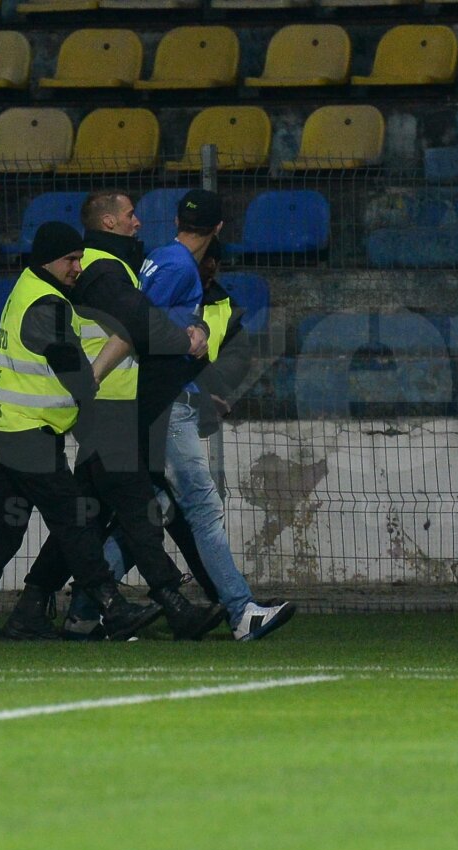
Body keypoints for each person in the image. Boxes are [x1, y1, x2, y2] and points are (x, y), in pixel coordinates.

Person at [14, 191, 226, 641]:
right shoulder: (103, 267)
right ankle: (166, 605)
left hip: (109, 405)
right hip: (107, 407)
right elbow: (136, 318)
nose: (138, 223)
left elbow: (130, 322)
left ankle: (35, 602)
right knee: (137, 511)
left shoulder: (105, 264)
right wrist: (184, 338)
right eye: (130, 215)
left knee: (87, 517)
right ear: (109, 221)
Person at [0, 221, 161, 643]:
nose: (78, 266)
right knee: (75, 519)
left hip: (13, 426)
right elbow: (78, 378)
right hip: (30, 433)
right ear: (50, 259)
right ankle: (112, 607)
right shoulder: (48, 305)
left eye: (81, 257)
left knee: (1, 526)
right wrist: (114, 352)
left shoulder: (28, 289)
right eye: (71, 259)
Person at [111, 195, 295, 642]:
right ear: (219, 228)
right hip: (166, 402)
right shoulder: (178, 267)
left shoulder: (161, 258)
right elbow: (138, 325)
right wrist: (187, 338)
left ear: (177, 221)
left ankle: (92, 603)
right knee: (203, 507)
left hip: (162, 397)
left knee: (159, 508)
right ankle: (240, 611)